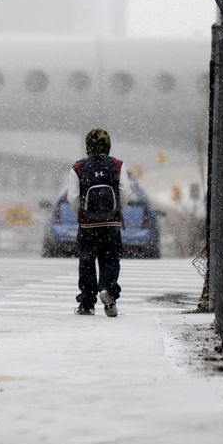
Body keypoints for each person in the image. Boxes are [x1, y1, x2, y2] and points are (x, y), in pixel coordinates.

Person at [67, 128, 132, 317]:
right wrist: (115, 211)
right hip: (111, 225)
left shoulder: (78, 168)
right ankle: (108, 290)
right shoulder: (118, 165)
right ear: (108, 145)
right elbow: (126, 192)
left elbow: (72, 197)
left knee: (87, 261)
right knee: (110, 260)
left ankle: (87, 303)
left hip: (88, 226)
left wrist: (83, 214)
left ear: (87, 146)